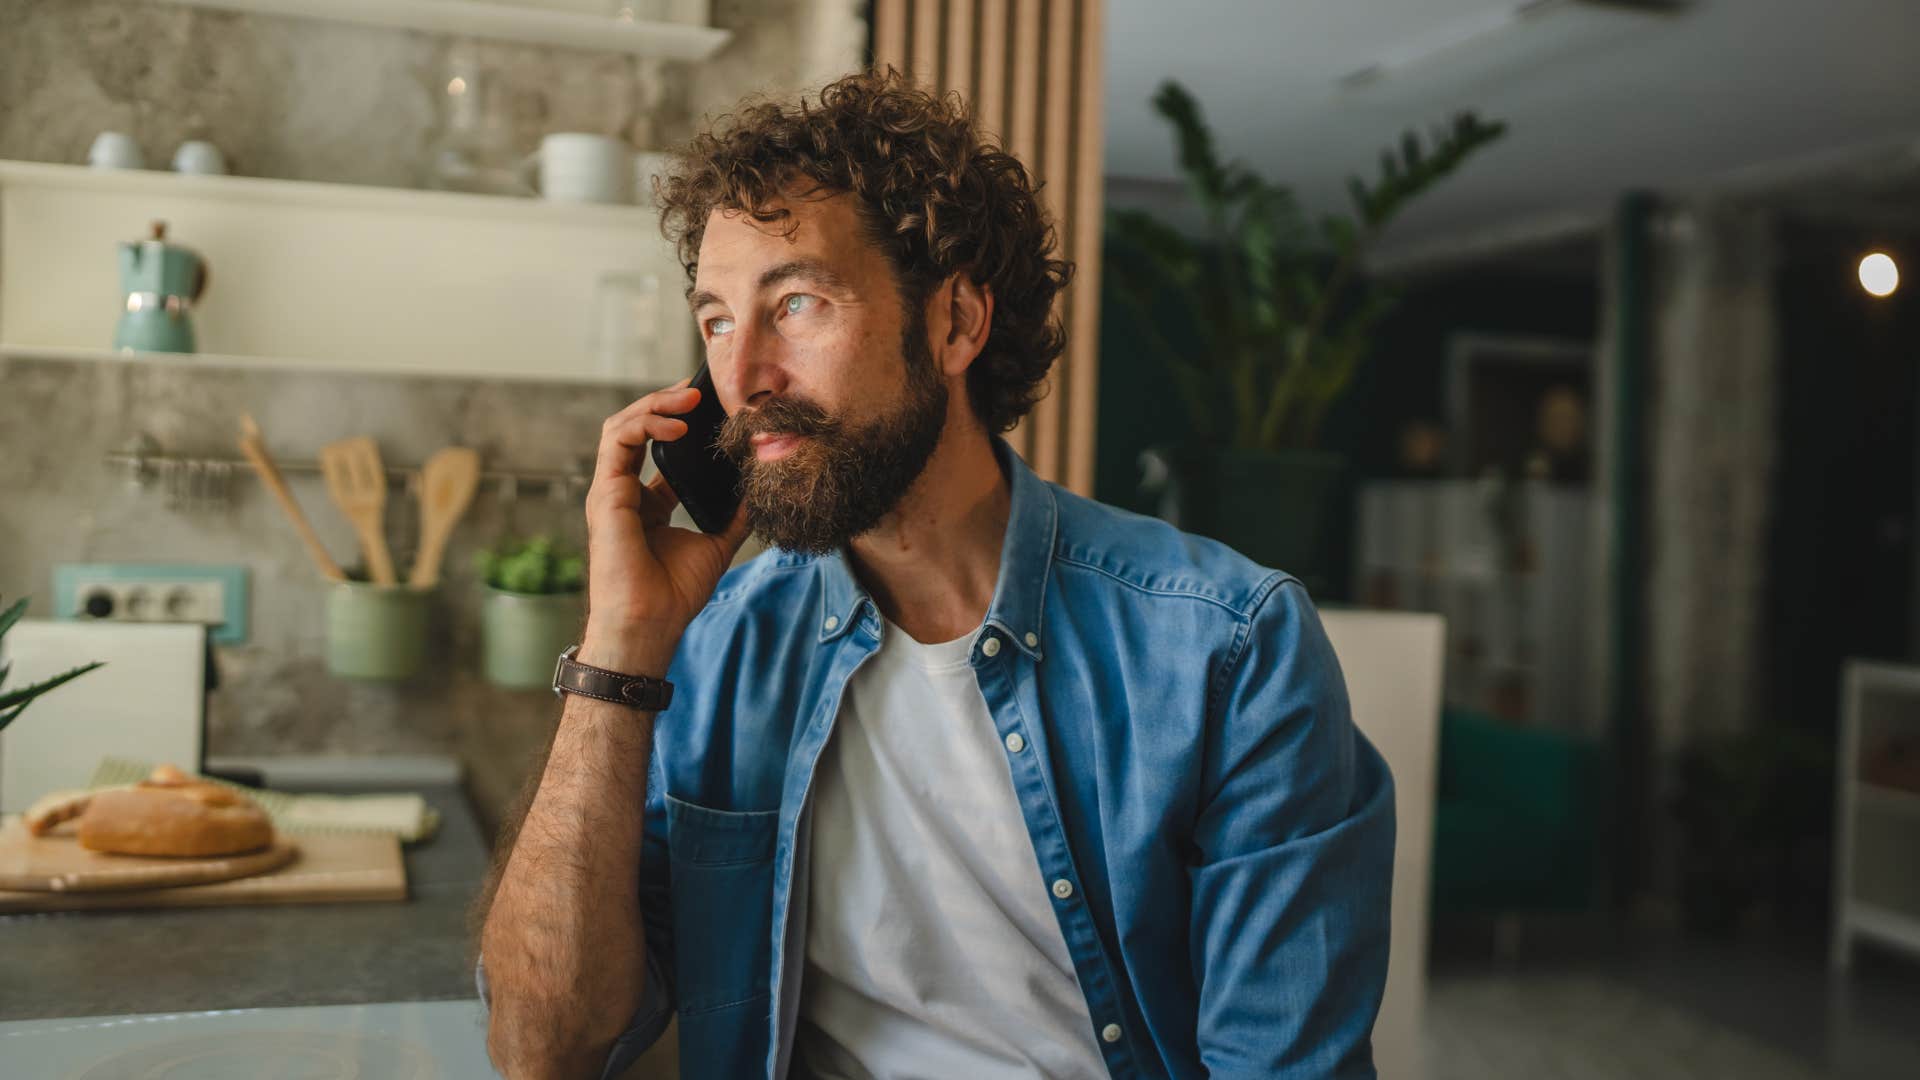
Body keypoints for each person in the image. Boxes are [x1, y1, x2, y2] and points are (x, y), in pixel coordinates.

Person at [476, 69, 1394, 1080]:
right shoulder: (715, 646)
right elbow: (543, 1049)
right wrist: (619, 644)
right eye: (720, 320)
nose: (742, 381)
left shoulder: (1229, 650)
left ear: (955, 323)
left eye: (799, 304)